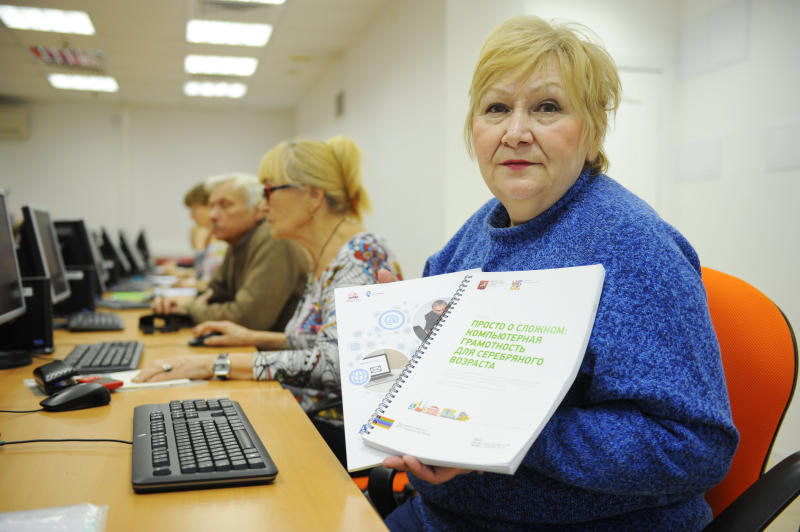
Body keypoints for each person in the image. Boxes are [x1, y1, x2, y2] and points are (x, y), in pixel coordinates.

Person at [381, 15, 739, 531]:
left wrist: (503, 435)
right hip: (444, 515)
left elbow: (694, 446)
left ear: (592, 132)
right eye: (497, 108)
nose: (516, 132)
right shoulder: (474, 236)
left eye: (547, 107)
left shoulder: (632, 246)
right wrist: (392, 345)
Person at [136, 136, 402, 414]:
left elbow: (339, 362)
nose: (262, 207)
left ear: (313, 196)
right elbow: (326, 341)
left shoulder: (362, 255)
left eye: (269, 191)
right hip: (304, 410)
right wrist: (252, 336)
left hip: (334, 430)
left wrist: (216, 363)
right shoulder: (326, 254)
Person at [150, 173, 309, 332]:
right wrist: (179, 306)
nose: (212, 216)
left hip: (273, 353)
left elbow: (247, 317)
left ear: (258, 210)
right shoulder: (237, 241)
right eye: (211, 207)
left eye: (225, 205)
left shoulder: (273, 240)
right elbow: (215, 293)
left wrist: (190, 310)